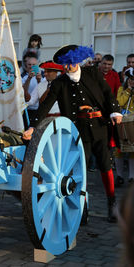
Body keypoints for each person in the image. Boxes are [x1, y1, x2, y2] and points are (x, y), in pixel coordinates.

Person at [23, 45, 123, 223]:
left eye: (71, 62)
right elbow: (45, 106)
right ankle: (82, 207)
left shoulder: (92, 73)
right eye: (65, 64)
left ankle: (111, 203)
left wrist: (115, 111)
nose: (68, 67)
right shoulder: (60, 83)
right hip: (78, 130)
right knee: (80, 170)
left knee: (105, 165)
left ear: (78, 60)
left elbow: (108, 94)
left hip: (99, 126)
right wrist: (32, 127)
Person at [115, 67, 134, 185]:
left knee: (133, 151)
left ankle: (132, 177)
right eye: (130, 79)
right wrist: (128, 91)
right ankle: (119, 176)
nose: (132, 81)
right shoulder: (122, 89)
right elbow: (119, 102)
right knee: (119, 150)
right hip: (122, 124)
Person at [21, 52, 45, 126]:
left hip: (39, 109)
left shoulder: (43, 77)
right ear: (26, 66)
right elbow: (23, 92)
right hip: (27, 109)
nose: (31, 66)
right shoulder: (23, 77)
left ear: (37, 65)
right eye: (29, 64)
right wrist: (29, 78)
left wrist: (39, 80)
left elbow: (42, 93)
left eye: (33, 65)